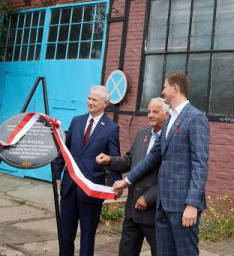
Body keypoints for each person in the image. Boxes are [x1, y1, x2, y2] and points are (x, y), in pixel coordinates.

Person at [112, 72, 210, 256]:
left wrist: (192, 204)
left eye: (165, 87)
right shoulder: (169, 120)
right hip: (162, 205)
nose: (162, 91)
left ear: (175, 88)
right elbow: (152, 157)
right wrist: (127, 181)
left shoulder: (195, 118)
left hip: (182, 205)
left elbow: (200, 164)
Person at [96, 97, 169, 256]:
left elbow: (170, 177)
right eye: (149, 111)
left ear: (167, 114)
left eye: (155, 112)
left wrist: (149, 198)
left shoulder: (172, 140)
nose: (150, 115)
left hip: (154, 214)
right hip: (132, 213)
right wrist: (110, 160)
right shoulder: (142, 133)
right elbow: (130, 160)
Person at [54, 85, 120, 256]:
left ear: (105, 104)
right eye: (89, 98)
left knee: (87, 238)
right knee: (65, 236)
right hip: (69, 188)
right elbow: (64, 150)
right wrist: (57, 174)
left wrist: (116, 184)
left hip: (91, 191)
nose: (89, 102)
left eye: (94, 100)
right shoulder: (76, 121)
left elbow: (115, 159)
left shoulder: (111, 128)